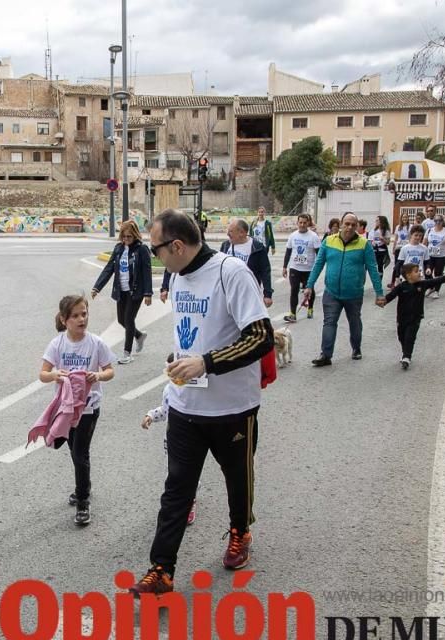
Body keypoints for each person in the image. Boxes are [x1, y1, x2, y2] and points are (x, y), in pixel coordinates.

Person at [128, 209, 274, 596]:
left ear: (176, 245)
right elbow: (190, 335)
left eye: (155, 248)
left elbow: (261, 338)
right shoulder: (177, 277)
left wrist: (206, 363)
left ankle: (240, 531)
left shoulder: (231, 273)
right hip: (185, 407)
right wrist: (179, 361)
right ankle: (161, 569)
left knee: (237, 481)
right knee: (176, 488)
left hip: (232, 409)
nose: (154, 256)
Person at [39, 295, 116, 525]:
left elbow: (110, 370)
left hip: (89, 408)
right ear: (64, 320)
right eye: (75, 315)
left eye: (84, 313)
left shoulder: (96, 343)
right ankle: (84, 486)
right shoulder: (57, 344)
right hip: (66, 409)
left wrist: (98, 375)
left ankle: (83, 500)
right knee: (75, 450)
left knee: (79, 454)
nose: (82, 318)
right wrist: (55, 375)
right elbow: (42, 374)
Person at [304, 212, 386, 366]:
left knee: (354, 322)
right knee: (329, 322)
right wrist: (309, 285)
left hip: (353, 294)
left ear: (357, 226)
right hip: (332, 292)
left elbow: (373, 269)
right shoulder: (328, 241)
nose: (349, 227)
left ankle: (356, 348)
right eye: (346, 223)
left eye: (353, 225)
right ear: (341, 224)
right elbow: (318, 264)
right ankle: (326, 355)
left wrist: (379, 293)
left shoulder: (364, 244)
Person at [142, 357, 198, 526]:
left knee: (188, 473)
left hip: (191, 437)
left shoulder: (194, 389)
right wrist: (151, 415)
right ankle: (180, 501)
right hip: (172, 438)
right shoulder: (168, 390)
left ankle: (190, 501)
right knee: (173, 472)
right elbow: (165, 410)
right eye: (171, 372)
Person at [92, 221, 153, 364]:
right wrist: (97, 287)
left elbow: (147, 272)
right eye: (124, 236)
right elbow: (109, 268)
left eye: (129, 237)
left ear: (135, 235)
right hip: (121, 290)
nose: (126, 239)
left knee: (129, 319)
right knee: (121, 320)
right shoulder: (118, 248)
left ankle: (127, 353)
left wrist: (148, 293)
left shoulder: (142, 250)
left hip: (135, 290)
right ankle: (139, 336)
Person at [381, 265, 445, 369]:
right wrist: (382, 302)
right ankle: (405, 352)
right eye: (416, 271)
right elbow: (389, 297)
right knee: (402, 337)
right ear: (408, 275)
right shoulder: (401, 287)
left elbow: (438, 280)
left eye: (419, 271)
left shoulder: (422, 284)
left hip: (416, 317)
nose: (420, 273)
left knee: (410, 336)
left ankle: (407, 357)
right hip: (402, 318)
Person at [220, 219, 274, 307]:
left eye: (231, 231)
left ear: (242, 232)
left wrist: (267, 295)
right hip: (228, 293)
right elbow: (219, 269)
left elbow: (265, 271)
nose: (227, 234)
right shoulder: (225, 246)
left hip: (250, 294)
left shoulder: (257, 247)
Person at [281, 213, 320, 322]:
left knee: (310, 289)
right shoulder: (293, 235)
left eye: (304, 222)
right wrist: (284, 267)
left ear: (308, 223)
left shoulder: (313, 236)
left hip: (308, 269)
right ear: (297, 223)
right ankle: (293, 314)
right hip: (294, 268)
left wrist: (317, 268)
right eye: (300, 222)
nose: (302, 225)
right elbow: (288, 252)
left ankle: (310, 308)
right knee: (294, 290)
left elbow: (319, 254)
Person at [425, 214, 445, 298]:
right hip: (430, 255)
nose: (438, 222)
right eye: (436, 221)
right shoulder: (429, 230)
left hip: (441, 256)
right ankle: (431, 287)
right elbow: (424, 243)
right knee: (427, 272)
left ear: (443, 222)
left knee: (438, 274)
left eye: (439, 221)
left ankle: (436, 291)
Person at [390, 212, 412, 288]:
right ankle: (396, 280)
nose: (404, 219)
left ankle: (405, 281)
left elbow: (410, 238)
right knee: (397, 265)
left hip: (406, 248)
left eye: (406, 217)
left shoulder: (410, 227)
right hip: (398, 248)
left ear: (408, 218)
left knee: (405, 265)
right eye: (403, 217)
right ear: (401, 218)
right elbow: (396, 238)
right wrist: (393, 248)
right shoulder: (398, 227)